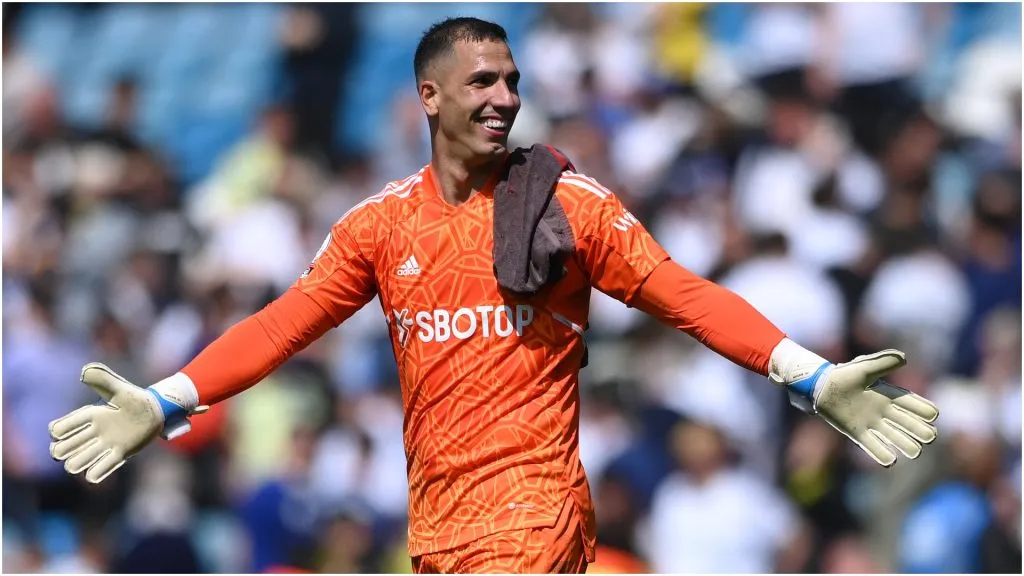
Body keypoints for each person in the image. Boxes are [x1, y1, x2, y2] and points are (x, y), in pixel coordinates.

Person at [49, 17, 941, 574]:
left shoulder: (566, 207)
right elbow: (284, 324)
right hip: (436, 538)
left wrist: (811, 377)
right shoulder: (379, 227)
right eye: (484, 81)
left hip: (536, 525)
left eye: (513, 80)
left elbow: (684, 294)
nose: (506, 96)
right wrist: (167, 398)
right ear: (428, 97)